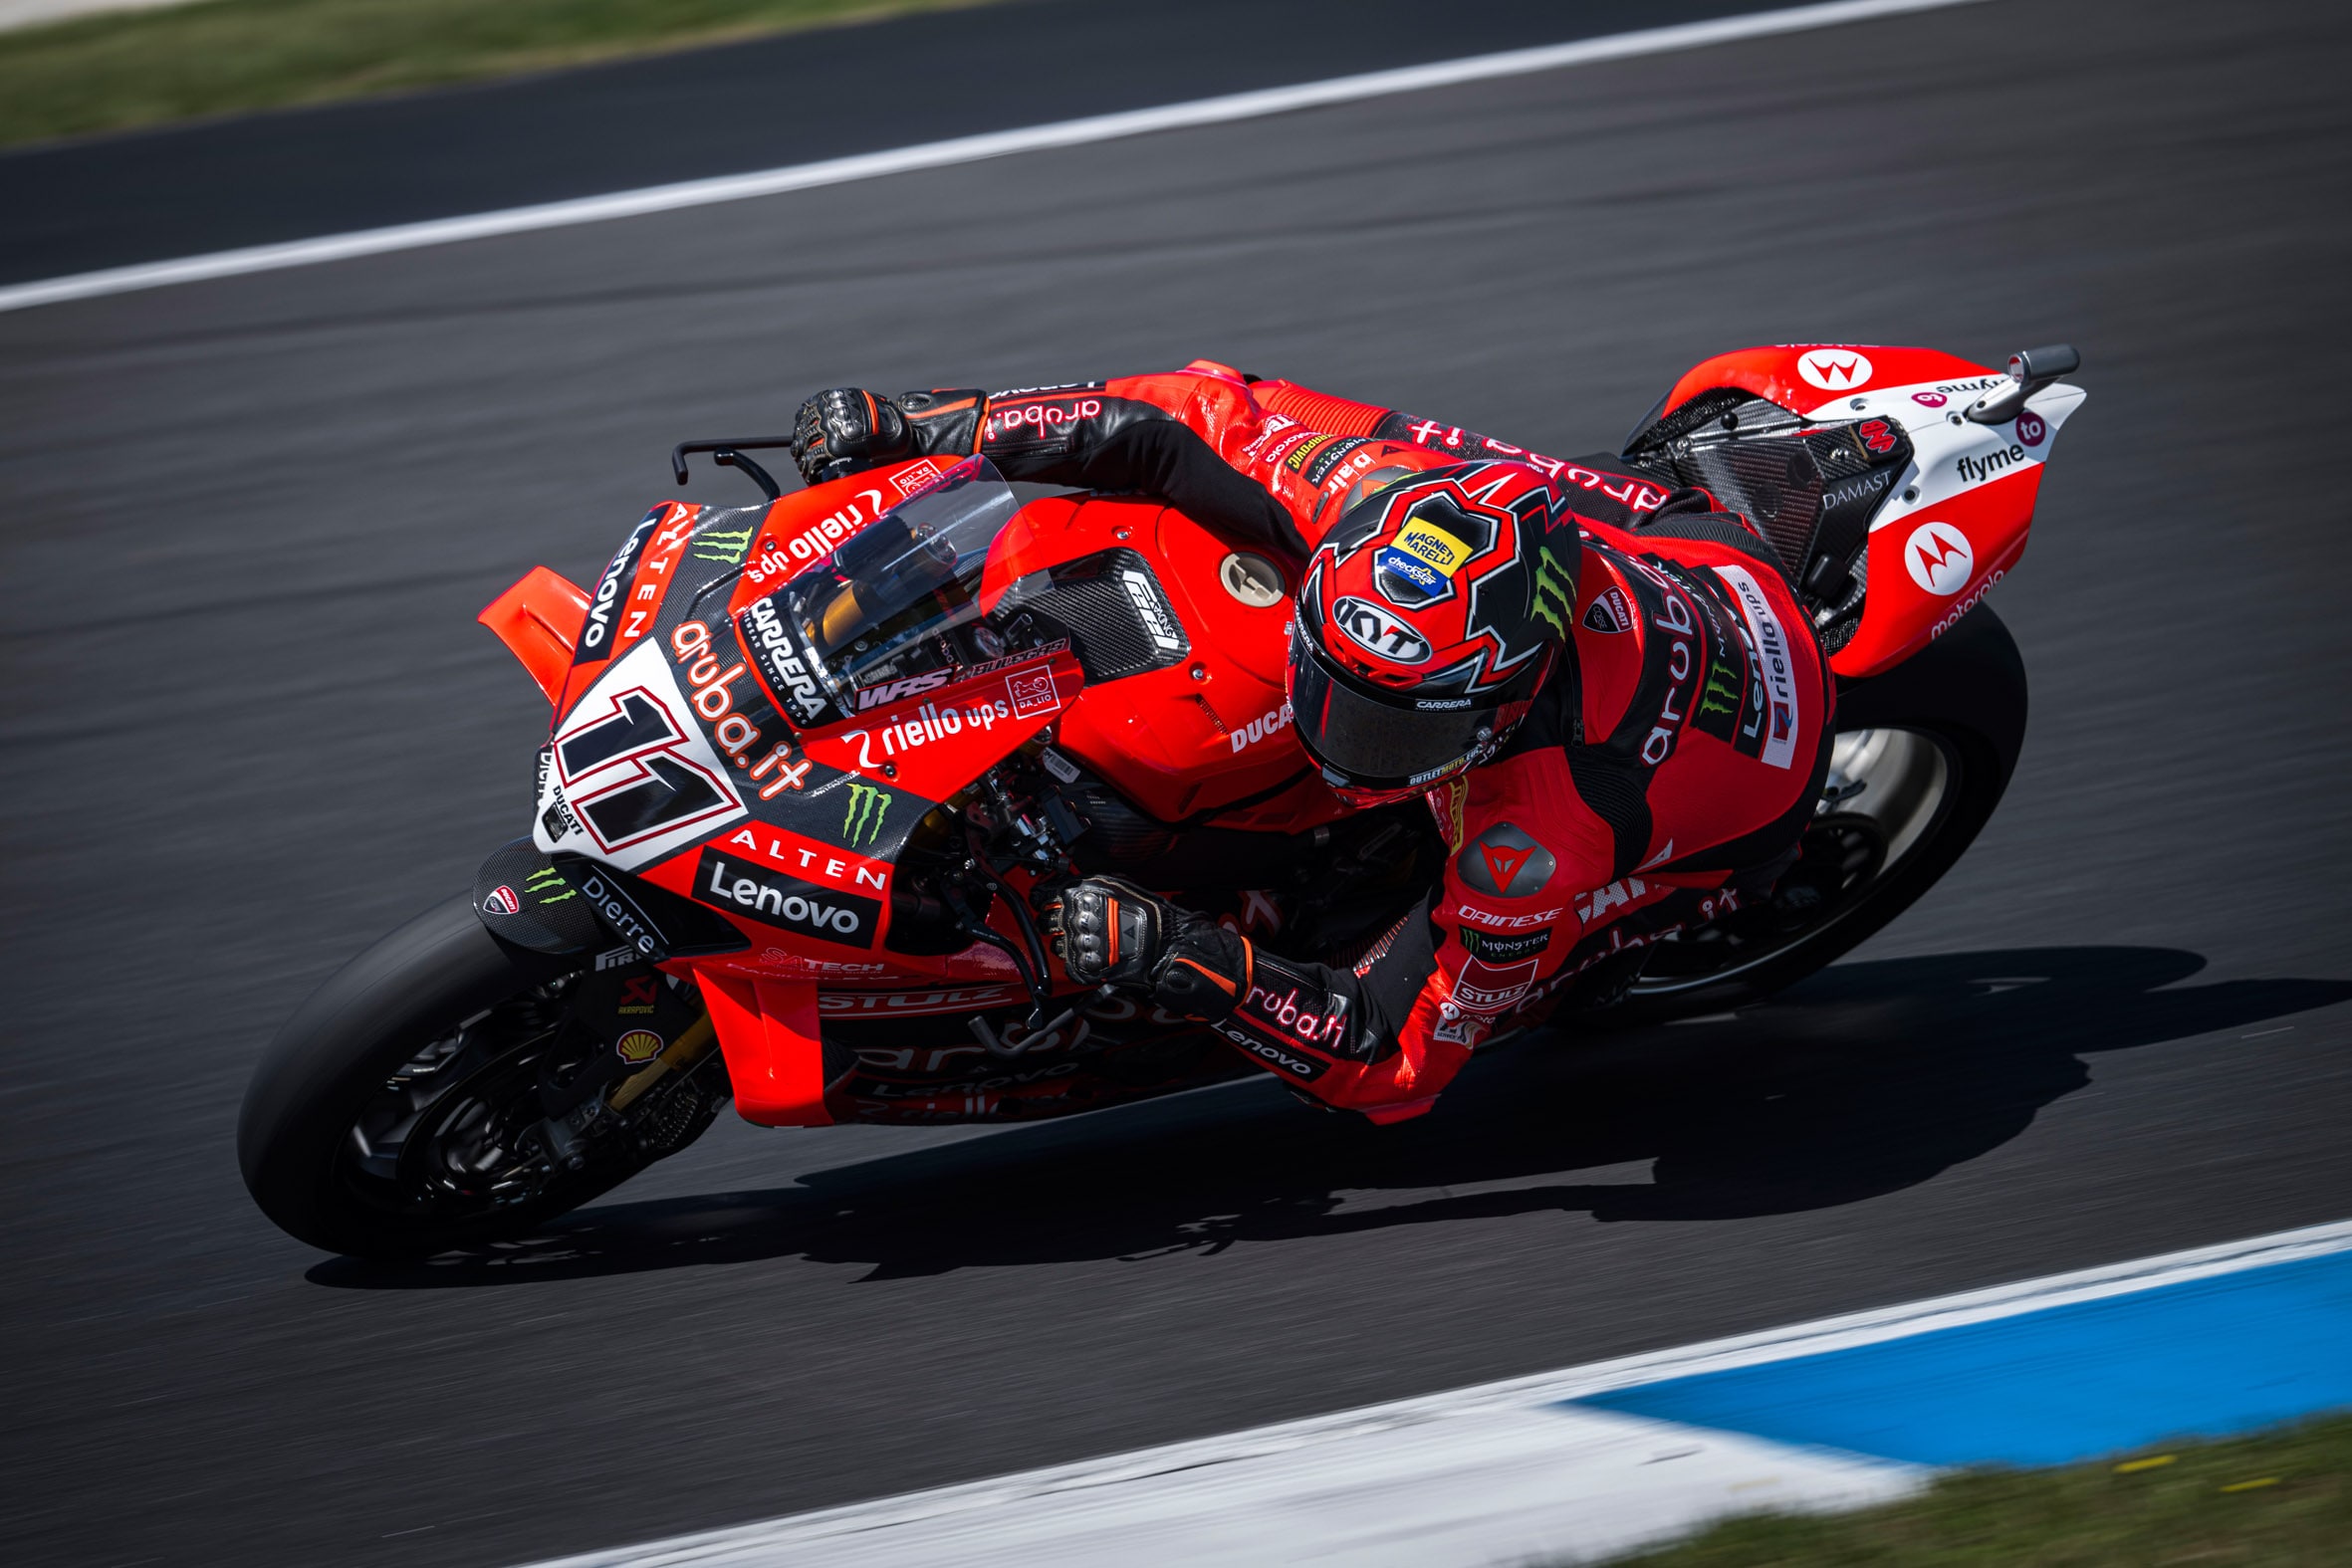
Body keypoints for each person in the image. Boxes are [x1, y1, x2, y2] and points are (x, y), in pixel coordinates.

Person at [790, 361, 1834, 1122]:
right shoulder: (1376, 498)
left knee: (1489, 942)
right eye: (1331, 685)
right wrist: (931, 424)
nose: (1340, 738)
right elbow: (1174, 417)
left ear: (1498, 709)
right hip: (1669, 545)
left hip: (1728, 790)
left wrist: (1186, 954)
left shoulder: (1543, 832)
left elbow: (1397, 1061)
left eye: (1387, 726)